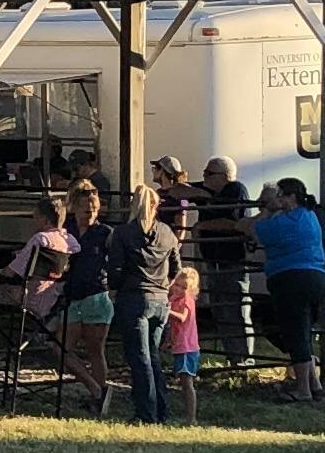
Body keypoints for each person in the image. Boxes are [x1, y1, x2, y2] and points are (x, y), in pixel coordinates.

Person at [98, 178, 179, 425]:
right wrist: (164, 286)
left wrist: (114, 289)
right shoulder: (167, 232)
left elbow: (115, 269)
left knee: (139, 357)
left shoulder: (123, 233)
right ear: (156, 206)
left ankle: (146, 412)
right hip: (160, 299)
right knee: (151, 356)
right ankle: (160, 409)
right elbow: (176, 266)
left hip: (134, 298)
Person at [253, 179, 325, 402]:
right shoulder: (310, 216)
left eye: (279, 196)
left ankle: (302, 390)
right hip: (318, 277)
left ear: (289, 197)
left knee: (295, 333)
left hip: (291, 279)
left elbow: (258, 230)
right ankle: (313, 383)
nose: (277, 200)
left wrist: (267, 211)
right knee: (305, 331)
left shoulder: (282, 223)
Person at [51, 177, 118, 407]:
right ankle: (96, 388)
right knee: (60, 349)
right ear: (74, 209)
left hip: (96, 295)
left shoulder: (105, 233)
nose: (88, 213)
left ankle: (97, 398)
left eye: (92, 209)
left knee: (95, 350)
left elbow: (114, 264)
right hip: (71, 296)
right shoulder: (65, 230)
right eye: (84, 209)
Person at [189, 158, 258, 378]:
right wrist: (200, 194)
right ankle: (233, 359)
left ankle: (245, 360)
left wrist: (202, 225)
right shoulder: (206, 189)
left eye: (210, 173)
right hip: (214, 261)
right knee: (220, 310)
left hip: (232, 261)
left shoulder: (236, 190)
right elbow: (181, 191)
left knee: (236, 309)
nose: (205, 177)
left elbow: (233, 223)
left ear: (224, 176)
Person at [163, 259, 204, 425]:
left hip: (188, 347)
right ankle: (188, 416)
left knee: (187, 383)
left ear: (191, 290)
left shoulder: (187, 301)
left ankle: (191, 418)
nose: (179, 289)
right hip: (179, 345)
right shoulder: (174, 299)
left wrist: (167, 310)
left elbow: (182, 318)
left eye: (184, 287)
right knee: (183, 381)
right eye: (177, 285)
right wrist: (167, 341)